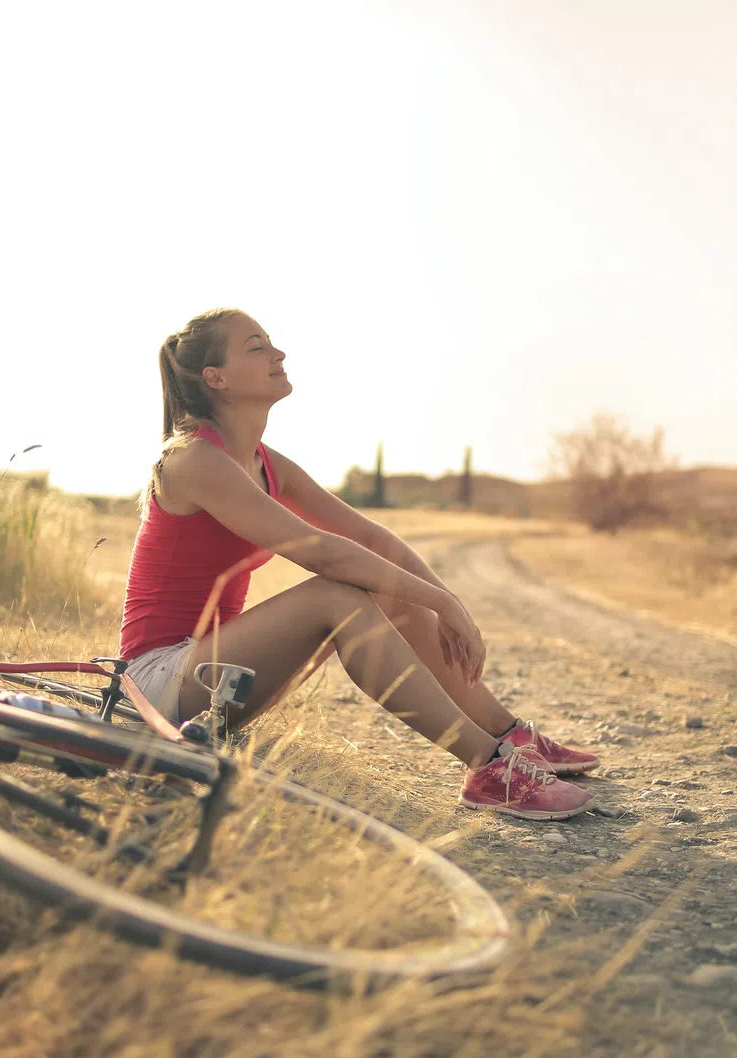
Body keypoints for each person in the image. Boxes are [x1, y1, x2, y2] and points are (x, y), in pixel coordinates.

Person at [118, 308, 600, 820]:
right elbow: (320, 549)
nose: (277, 354)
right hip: (157, 682)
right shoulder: (192, 459)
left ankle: (509, 737)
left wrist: (447, 603)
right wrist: (439, 601)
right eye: (256, 347)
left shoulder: (265, 462)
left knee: (392, 588)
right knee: (338, 594)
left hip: (219, 679)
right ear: (215, 378)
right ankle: (487, 766)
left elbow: (369, 536)